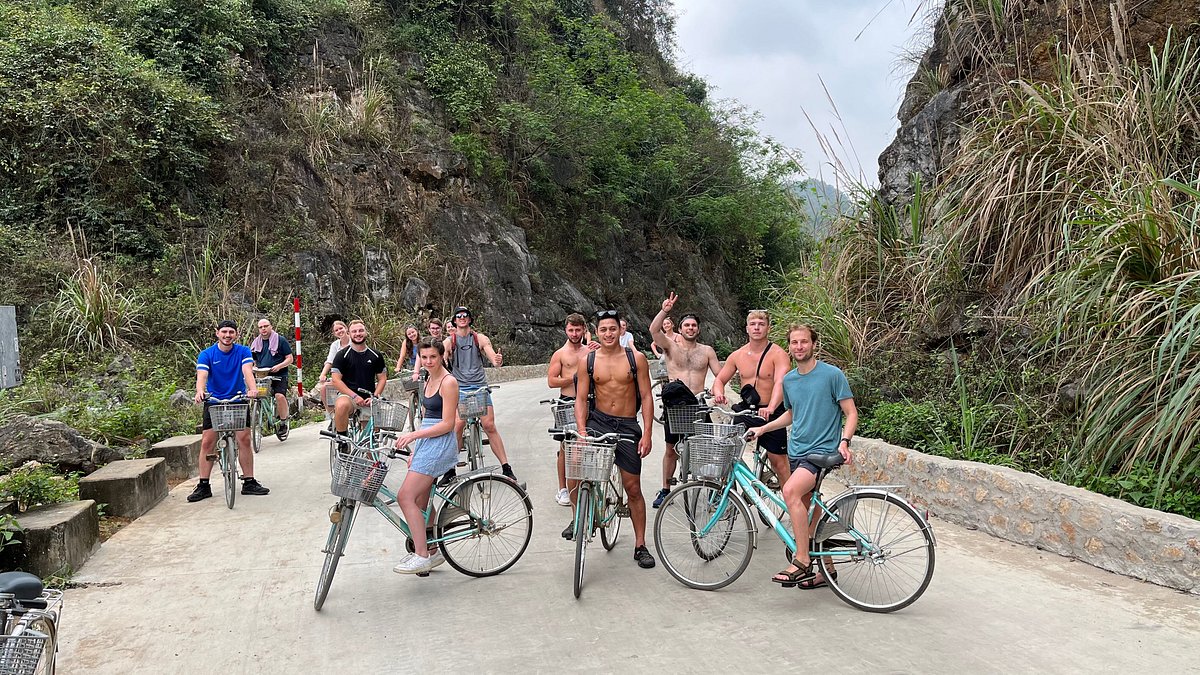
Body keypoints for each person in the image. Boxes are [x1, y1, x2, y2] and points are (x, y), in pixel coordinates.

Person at [745, 324, 857, 589]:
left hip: (821, 453)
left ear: (814, 344)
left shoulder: (832, 375)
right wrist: (763, 428)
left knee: (790, 492)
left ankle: (803, 559)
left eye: (804, 342)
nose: (799, 347)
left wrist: (844, 442)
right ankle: (827, 572)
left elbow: (851, 412)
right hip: (797, 452)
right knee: (809, 515)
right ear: (790, 346)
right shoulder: (790, 380)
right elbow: (792, 414)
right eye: (794, 342)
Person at [572, 309, 656, 569]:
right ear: (596, 332)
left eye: (612, 329)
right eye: (603, 330)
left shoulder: (636, 358)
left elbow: (647, 396)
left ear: (621, 330)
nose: (608, 334)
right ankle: (579, 517)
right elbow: (580, 399)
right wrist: (582, 430)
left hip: (627, 425)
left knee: (633, 488)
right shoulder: (588, 361)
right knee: (577, 464)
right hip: (598, 422)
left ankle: (640, 545)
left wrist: (648, 433)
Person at [390, 338, 459, 575]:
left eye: (433, 357)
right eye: (424, 357)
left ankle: (421, 555)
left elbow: (448, 424)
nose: (429, 361)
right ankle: (432, 549)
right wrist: (416, 450)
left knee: (405, 496)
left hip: (440, 443)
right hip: (427, 442)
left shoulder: (449, 382)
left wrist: (413, 436)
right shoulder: (427, 379)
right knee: (421, 501)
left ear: (441, 356)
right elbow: (426, 419)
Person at [648, 293, 721, 508]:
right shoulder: (671, 347)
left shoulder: (706, 351)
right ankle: (665, 489)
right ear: (680, 329)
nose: (690, 328)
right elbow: (654, 331)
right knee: (671, 449)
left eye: (693, 325)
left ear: (698, 329)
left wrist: (718, 390)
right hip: (676, 406)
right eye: (687, 325)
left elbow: (720, 374)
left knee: (707, 448)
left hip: (698, 404)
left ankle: (712, 489)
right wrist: (664, 311)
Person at [711, 309, 793, 491]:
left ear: (768, 328)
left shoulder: (778, 354)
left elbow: (780, 382)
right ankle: (727, 492)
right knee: (726, 450)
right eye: (753, 324)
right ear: (747, 328)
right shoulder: (737, 355)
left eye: (761, 324)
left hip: (771, 411)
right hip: (746, 410)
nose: (757, 328)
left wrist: (771, 407)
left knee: (779, 462)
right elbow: (719, 379)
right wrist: (718, 393)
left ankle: (791, 500)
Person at [190, 320, 269, 502]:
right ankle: (203, 485)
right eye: (224, 332)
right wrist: (200, 391)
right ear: (217, 333)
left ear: (236, 334)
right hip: (214, 401)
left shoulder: (243, 351)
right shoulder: (207, 354)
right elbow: (202, 375)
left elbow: (247, 371)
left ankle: (249, 481)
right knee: (207, 442)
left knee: (244, 439)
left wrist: (253, 389)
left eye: (231, 332)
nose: (227, 335)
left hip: (238, 399)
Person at [443, 306, 516, 480]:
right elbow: (443, 354)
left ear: (469, 319)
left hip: (479, 387)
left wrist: (497, 360)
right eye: (459, 316)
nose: (462, 318)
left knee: (489, 425)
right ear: (455, 321)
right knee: (458, 425)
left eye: (465, 315)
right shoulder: (450, 341)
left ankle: (506, 467)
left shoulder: (479, 338)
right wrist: (444, 358)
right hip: (460, 388)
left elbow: (492, 357)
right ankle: (450, 469)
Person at [547, 313, 589, 507]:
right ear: (566, 330)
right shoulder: (560, 354)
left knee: (587, 443)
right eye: (571, 330)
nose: (574, 334)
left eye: (577, 330)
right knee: (565, 447)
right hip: (567, 402)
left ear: (584, 330)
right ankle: (563, 489)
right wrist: (573, 379)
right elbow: (551, 381)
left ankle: (584, 484)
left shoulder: (590, 351)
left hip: (588, 401)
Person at [330, 320, 388, 442]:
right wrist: (354, 396)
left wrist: (375, 396)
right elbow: (336, 380)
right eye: (354, 331)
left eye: (361, 330)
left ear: (366, 332)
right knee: (341, 405)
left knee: (371, 441)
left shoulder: (376, 355)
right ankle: (342, 440)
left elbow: (382, 378)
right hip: (349, 396)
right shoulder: (342, 355)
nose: (358, 334)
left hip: (369, 398)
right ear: (349, 333)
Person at [249, 317, 293, 436]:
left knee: (279, 396)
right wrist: (252, 368)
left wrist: (279, 366)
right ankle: (263, 419)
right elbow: (253, 360)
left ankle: (283, 422)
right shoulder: (256, 343)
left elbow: (290, 358)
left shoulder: (280, 340)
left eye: (265, 326)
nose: (263, 329)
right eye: (261, 327)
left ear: (271, 327)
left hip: (279, 375)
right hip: (262, 375)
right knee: (257, 396)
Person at [316, 320, 350, 411]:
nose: (339, 331)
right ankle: (331, 414)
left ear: (346, 328)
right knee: (324, 388)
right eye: (336, 330)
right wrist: (323, 374)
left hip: (354, 377)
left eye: (341, 328)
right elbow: (330, 361)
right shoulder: (335, 345)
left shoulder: (354, 342)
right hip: (340, 377)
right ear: (334, 334)